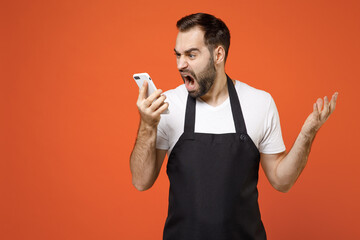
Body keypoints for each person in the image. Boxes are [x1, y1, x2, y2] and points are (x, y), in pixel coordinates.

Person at [129, 13, 338, 240]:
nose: (181, 64)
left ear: (218, 54)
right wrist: (148, 125)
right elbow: (141, 181)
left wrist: (307, 134)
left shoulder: (260, 103)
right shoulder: (168, 105)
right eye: (178, 55)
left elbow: (282, 181)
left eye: (191, 54)